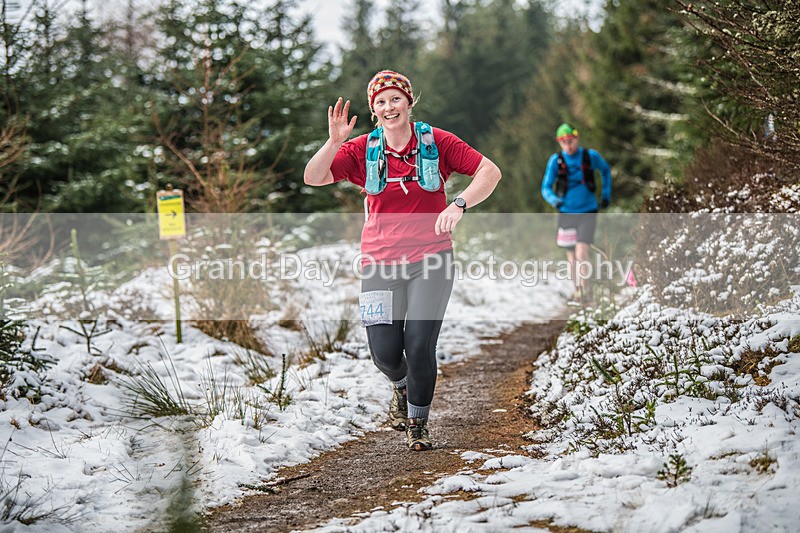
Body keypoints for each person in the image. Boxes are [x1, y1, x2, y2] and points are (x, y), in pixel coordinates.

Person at [304, 70, 501, 451]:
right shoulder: (362, 149)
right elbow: (314, 177)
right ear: (373, 110)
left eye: (395, 99)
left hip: (432, 258)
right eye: (380, 101)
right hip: (379, 262)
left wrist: (459, 204)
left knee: (419, 343)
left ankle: (417, 422)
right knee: (385, 353)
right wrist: (333, 143)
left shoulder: (437, 141)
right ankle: (401, 385)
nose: (388, 107)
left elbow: (489, 171)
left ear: (410, 102)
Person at [541, 123, 612, 305]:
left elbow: (605, 171)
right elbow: (545, 187)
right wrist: (554, 200)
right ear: (559, 143)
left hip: (588, 210)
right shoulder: (556, 161)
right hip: (566, 213)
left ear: (577, 139)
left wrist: (605, 195)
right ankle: (578, 291)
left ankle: (586, 291)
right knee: (572, 257)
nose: (568, 146)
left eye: (570, 141)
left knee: (582, 252)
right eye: (564, 142)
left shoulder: (590, 156)